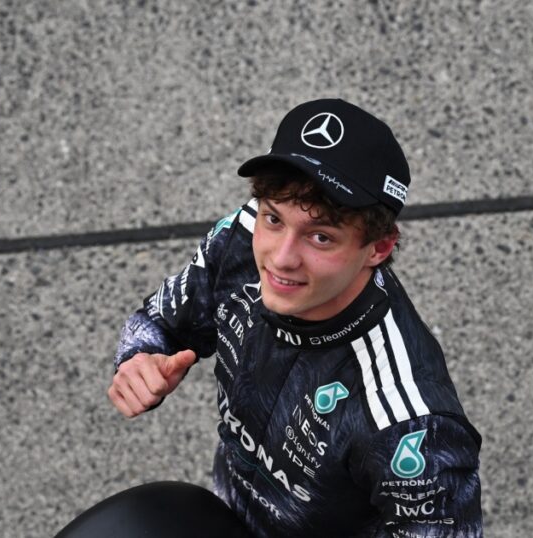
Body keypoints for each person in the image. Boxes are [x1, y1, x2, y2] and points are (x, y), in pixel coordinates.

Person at [108, 98, 483, 537]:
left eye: (320, 237)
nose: (280, 258)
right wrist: (140, 357)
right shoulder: (241, 236)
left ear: (378, 248)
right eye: (274, 218)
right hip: (226, 508)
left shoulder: (408, 419)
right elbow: (159, 321)